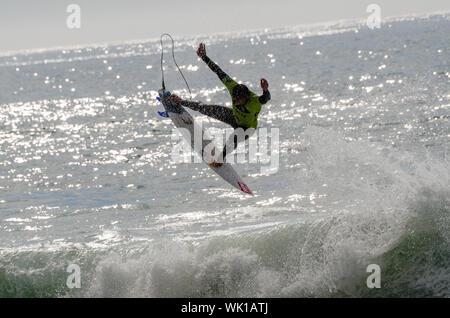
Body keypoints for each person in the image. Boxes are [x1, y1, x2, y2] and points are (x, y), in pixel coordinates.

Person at [170, 43, 271, 167]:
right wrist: (204, 57)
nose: (235, 102)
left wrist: (265, 90)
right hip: (234, 117)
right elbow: (218, 72)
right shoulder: (233, 86)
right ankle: (180, 101)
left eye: (238, 100)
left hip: (247, 128)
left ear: (246, 97)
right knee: (205, 108)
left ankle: (221, 158)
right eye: (234, 99)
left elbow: (265, 99)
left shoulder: (254, 102)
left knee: (234, 137)